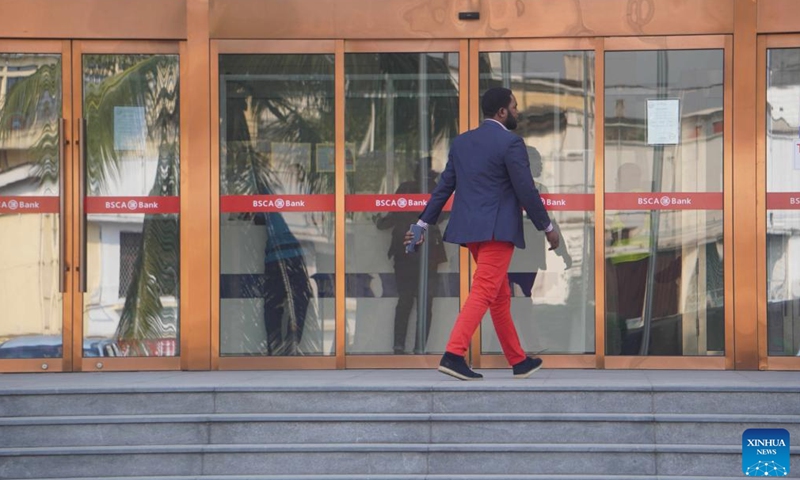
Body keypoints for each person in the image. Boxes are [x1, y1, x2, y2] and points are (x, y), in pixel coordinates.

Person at [406, 87, 559, 380]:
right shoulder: (511, 144)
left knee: (499, 296)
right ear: (501, 112)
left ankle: (518, 360)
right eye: (514, 107)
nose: (517, 111)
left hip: (471, 232)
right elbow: (526, 190)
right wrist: (548, 228)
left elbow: (444, 188)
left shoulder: (462, 143)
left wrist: (422, 224)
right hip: (497, 232)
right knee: (483, 291)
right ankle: (453, 354)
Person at [376, 161, 447, 354]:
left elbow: (390, 218)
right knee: (426, 302)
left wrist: (377, 221)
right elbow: (442, 215)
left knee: (405, 300)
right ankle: (420, 347)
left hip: (405, 250)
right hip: (428, 250)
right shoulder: (437, 189)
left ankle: (399, 346)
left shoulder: (405, 187)